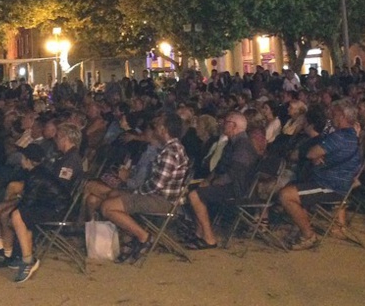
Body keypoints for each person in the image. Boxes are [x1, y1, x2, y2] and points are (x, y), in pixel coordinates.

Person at [100, 112, 189, 264]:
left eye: (158, 125)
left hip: (161, 200)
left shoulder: (170, 152)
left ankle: (143, 237)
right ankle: (129, 240)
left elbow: (157, 185)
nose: (154, 128)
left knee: (107, 207)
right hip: (158, 197)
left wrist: (135, 192)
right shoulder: (172, 148)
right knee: (114, 197)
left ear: (163, 129)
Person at [278, 100, 362, 250]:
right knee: (294, 189)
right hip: (326, 181)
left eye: (334, 114)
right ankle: (301, 229)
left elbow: (311, 153)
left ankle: (308, 235)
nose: (331, 117)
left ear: (342, 116)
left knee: (286, 195)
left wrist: (317, 155)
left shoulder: (340, 137)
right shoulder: (349, 136)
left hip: (330, 186)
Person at [186, 112, 259, 249]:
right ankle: (199, 232)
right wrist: (208, 180)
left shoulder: (243, 146)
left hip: (237, 188)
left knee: (195, 195)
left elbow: (234, 174)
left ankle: (209, 238)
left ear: (234, 126)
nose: (223, 125)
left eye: (226, 122)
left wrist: (213, 183)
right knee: (195, 191)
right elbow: (219, 167)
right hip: (230, 184)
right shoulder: (233, 144)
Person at [6, 145, 71, 282]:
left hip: (57, 210)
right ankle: (26, 256)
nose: (21, 160)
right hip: (53, 207)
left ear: (28, 160)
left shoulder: (36, 176)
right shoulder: (37, 172)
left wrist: (12, 212)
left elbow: (29, 202)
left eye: (23, 158)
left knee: (17, 216)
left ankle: (28, 260)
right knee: (20, 217)